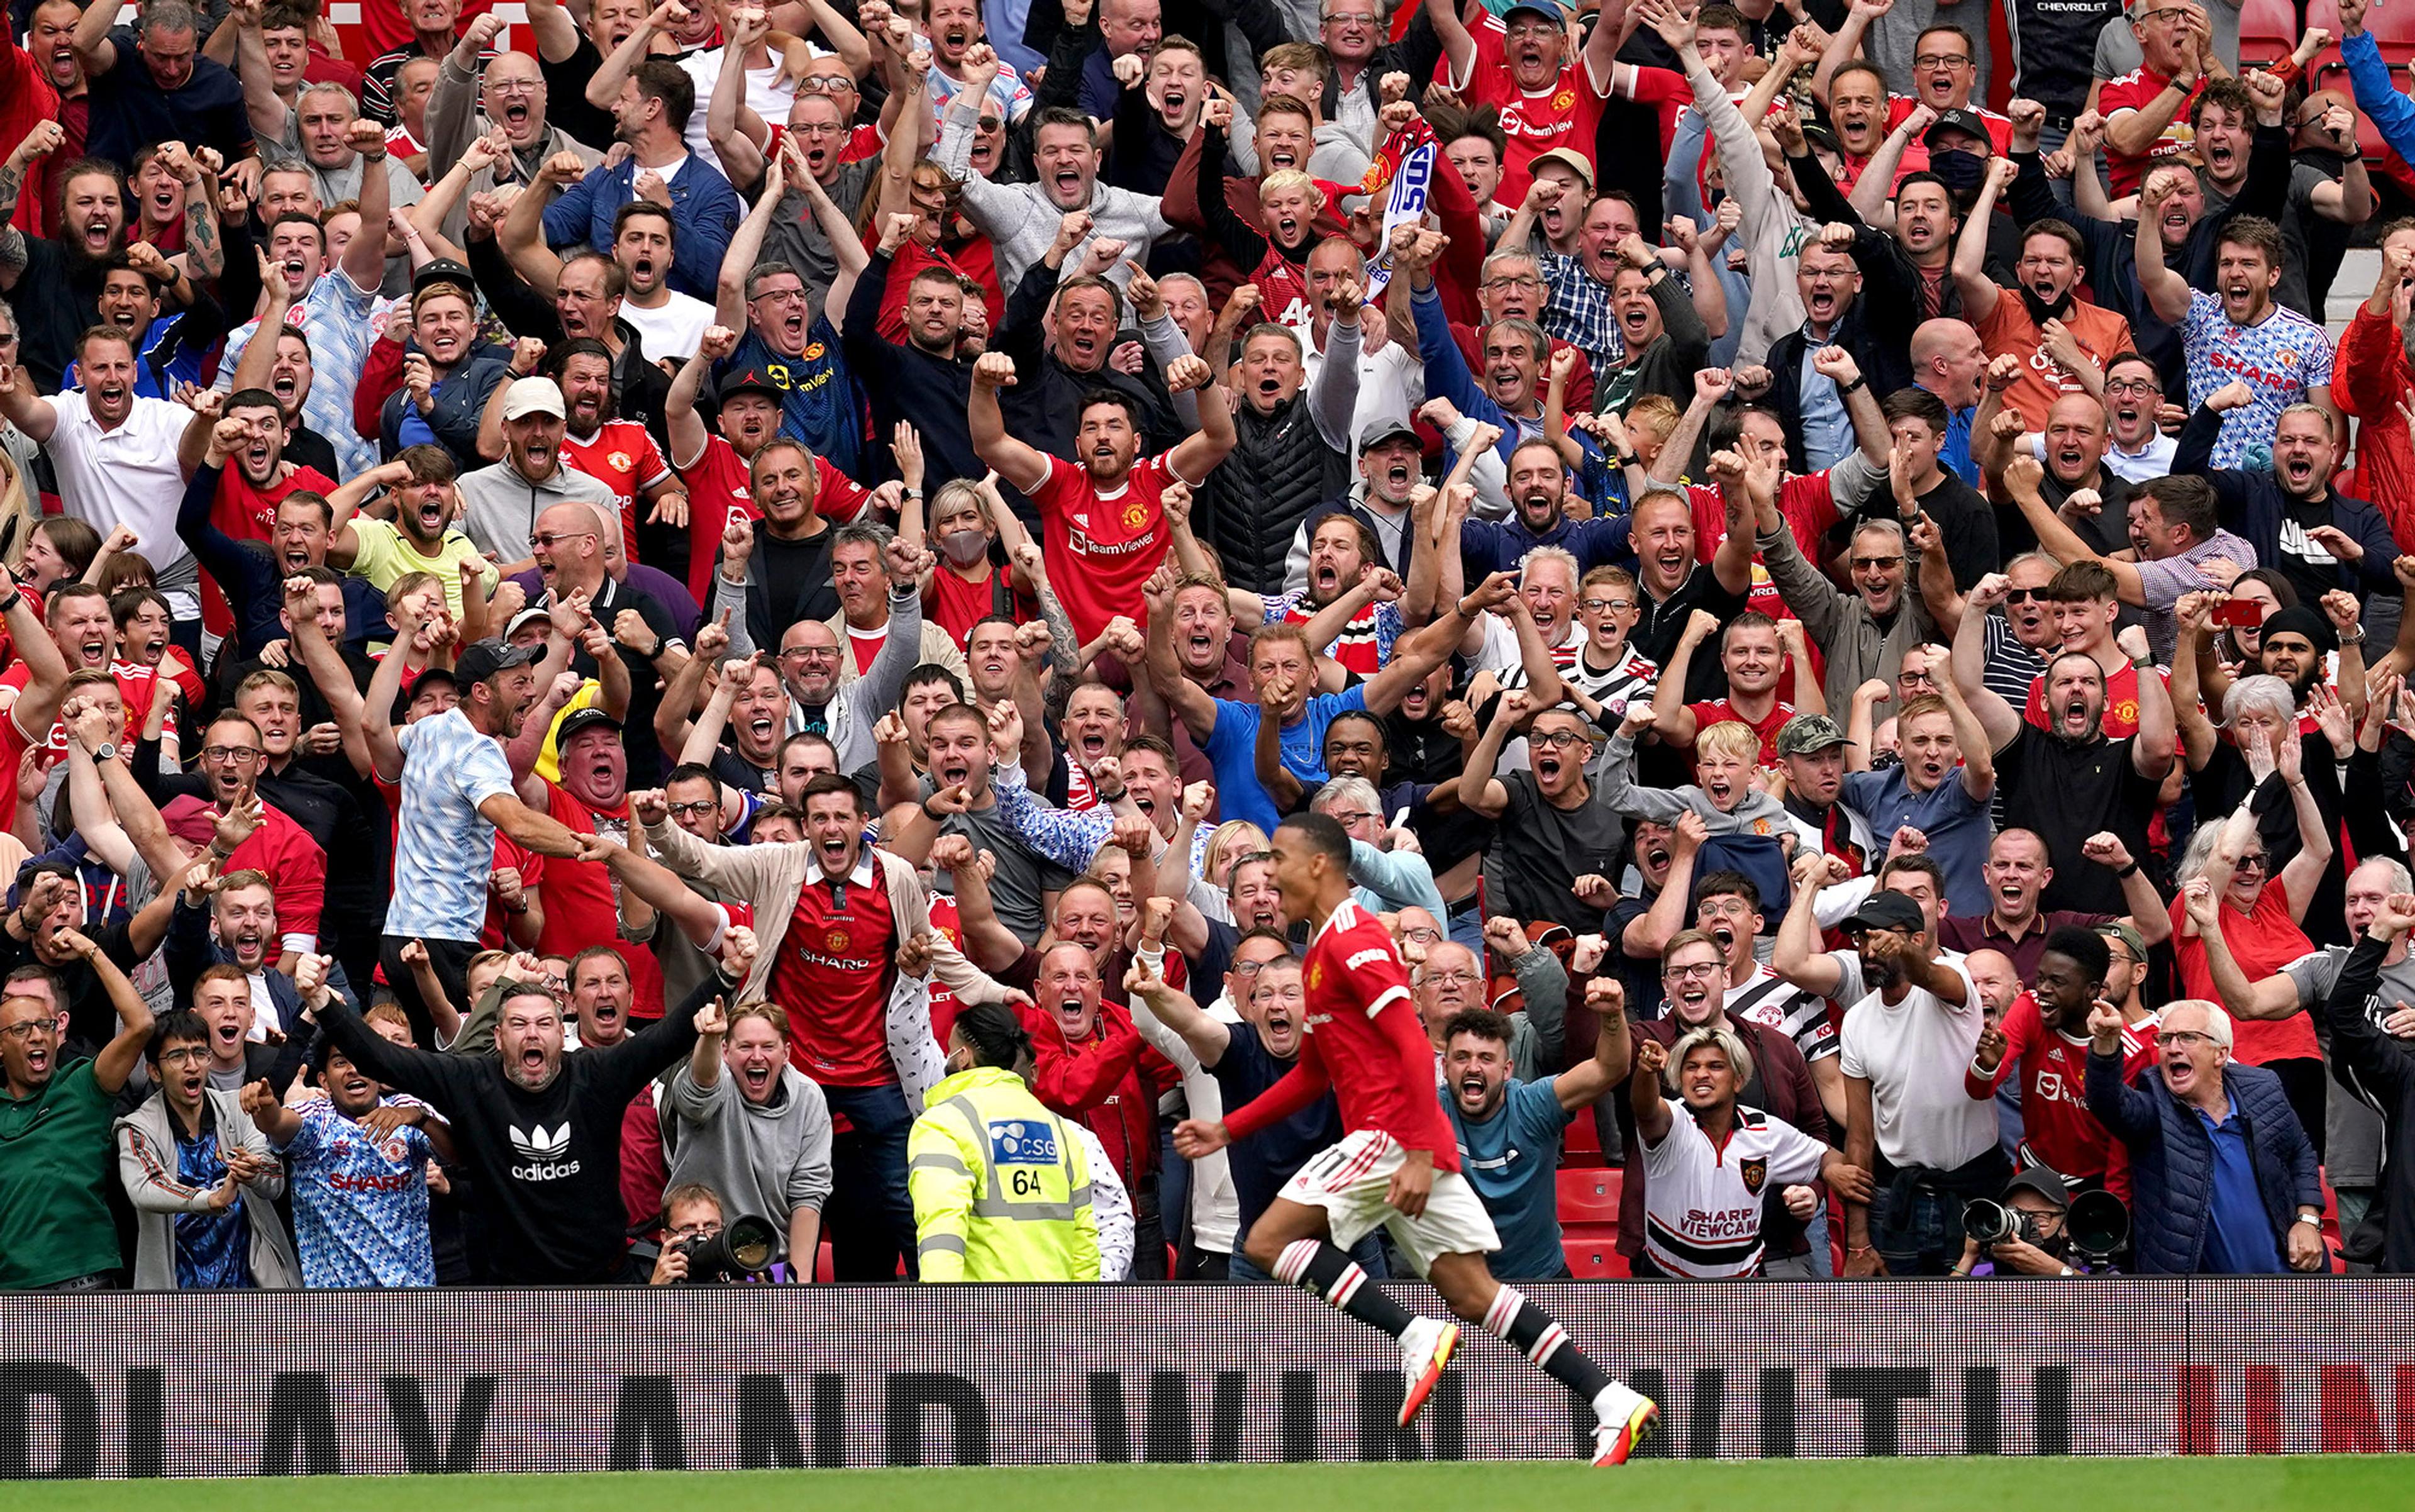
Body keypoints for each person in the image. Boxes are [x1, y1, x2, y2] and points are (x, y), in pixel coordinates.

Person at [1173, 811, 1660, 1466]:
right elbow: (1315, 1074)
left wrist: (1423, 1153)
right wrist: (1227, 1127)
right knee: (1471, 1292)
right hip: (1402, 1141)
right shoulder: (1321, 952)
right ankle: (1611, 1399)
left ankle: (1411, 1331)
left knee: (1266, 1240)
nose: (1266, 877)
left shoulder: (1355, 938)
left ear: (1318, 864)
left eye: (1278, 860)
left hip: (1391, 1137)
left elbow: (1409, 1038)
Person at [311, 934, 735, 1284]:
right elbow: (384, 1060)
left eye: (544, 1024)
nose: (532, 1033)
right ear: (498, 1038)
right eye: (518, 1024)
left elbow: (666, 1037)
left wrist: (728, 973)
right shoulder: (470, 1080)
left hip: (603, 1282)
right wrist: (322, 1003)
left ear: (560, 1033)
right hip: (510, 1293)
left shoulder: (595, 1074)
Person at [2084, 996, 2326, 1274]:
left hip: (2288, 1288)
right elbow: (2108, 1103)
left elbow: (2299, 1151)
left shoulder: (2263, 1089)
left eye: (2187, 1038)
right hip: (2197, 1303)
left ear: (2220, 1054)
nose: (2173, 1049)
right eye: (2165, 1039)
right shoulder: (2154, 1102)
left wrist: (2308, 1219)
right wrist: (2106, 1045)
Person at [1836, 888, 2006, 1277]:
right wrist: (1858, 1241)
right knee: (1896, 1330)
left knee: (1980, 1328)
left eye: (1882, 936)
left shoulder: (1954, 984)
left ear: (1917, 939)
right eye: (1862, 937)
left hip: (1970, 1194)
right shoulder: (1857, 1020)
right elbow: (1860, 1139)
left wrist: (1908, 953)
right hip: (1897, 1199)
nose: (1869, 950)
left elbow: (1928, 974)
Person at [1630, 1023, 1872, 1279]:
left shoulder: (1765, 1131)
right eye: (1692, 1067)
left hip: (1742, 1292)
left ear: (1738, 1081)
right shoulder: (1674, 1123)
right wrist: (1647, 1072)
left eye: (1715, 1066)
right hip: (1667, 1287)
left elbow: (1825, 1155)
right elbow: (1645, 1109)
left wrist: (1831, 1169)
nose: (1701, 1074)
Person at [0, 924, 155, 1289]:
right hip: (9, 1295)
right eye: (21, 1029)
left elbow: (141, 1024)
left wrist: (92, 952)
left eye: (44, 1026)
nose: (37, 1035)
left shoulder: (83, 1085)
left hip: (85, 1285)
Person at [1439, 994, 1632, 1281]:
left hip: (1541, 1279)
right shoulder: (1428, 1112)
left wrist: (1613, 1015)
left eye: (1486, 1058)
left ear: (1507, 1070)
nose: (1474, 1068)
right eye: (1462, 1057)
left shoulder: (1532, 1106)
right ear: (1445, 1068)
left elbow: (1609, 1069)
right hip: (1461, 1286)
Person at [908, 1000, 1102, 1281]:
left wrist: (941, 1319)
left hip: (980, 1318)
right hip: (1056, 1317)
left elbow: (942, 1235)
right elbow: (1084, 1242)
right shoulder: (1060, 1130)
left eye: (950, 1051)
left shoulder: (942, 1124)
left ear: (963, 1057)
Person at [664, 997, 833, 1276]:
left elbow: (808, 1194)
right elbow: (699, 1091)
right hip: (698, 1255)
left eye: (768, 1047)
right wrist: (709, 1038)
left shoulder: (809, 1098)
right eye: (745, 1047)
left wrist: (798, 1284)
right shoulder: (715, 1079)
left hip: (769, 1260)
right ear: (726, 1051)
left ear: (787, 1052)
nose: (757, 1056)